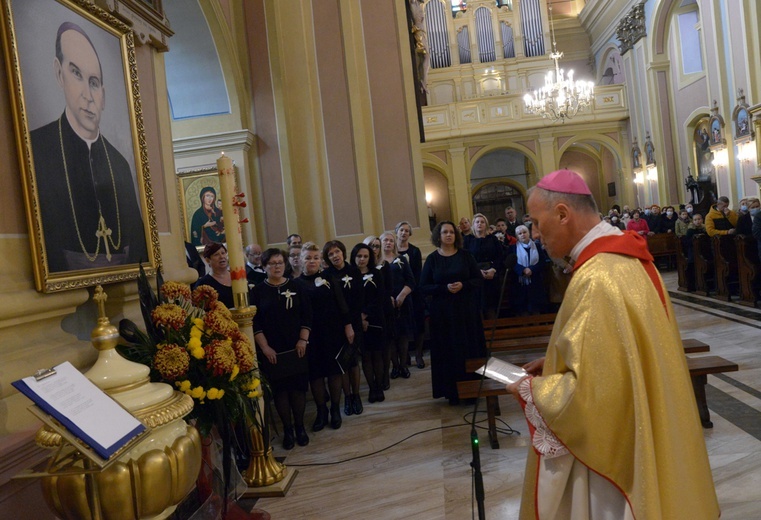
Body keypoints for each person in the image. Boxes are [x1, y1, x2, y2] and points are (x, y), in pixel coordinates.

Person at [507, 169, 718, 519]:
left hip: (612, 463)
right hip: (639, 426)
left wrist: (532, 390)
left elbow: (594, 397)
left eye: (537, 221)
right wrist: (557, 362)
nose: (535, 233)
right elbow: (619, 356)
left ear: (562, 213)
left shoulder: (597, 278)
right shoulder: (625, 258)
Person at [31, 22, 147, 272]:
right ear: (59, 74)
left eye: (94, 82)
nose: (87, 95)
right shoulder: (36, 150)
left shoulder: (119, 164)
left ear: (103, 95)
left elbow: (138, 249)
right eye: (76, 74)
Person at [251, 249, 312, 449]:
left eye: (280, 263)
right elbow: (255, 322)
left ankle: (299, 427)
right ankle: (287, 429)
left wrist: (303, 340)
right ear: (265, 266)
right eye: (272, 263)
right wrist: (265, 347)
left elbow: (307, 315)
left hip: (297, 346)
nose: (277, 266)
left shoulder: (298, 286)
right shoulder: (257, 291)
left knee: (298, 388)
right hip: (272, 349)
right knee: (280, 391)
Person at [419, 221, 485, 405]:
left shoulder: (466, 256)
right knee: (448, 351)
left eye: (451, 232)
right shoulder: (432, 259)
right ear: (438, 236)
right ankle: (452, 392)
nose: (449, 235)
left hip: (466, 312)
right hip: (443, 314)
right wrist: (444, 288)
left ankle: (472, 390)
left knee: (468, 348)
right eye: (444, 232)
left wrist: (463, 285)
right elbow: (424, 286)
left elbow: (478, 280)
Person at [297, 242, 353, 431]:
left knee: (334, 371)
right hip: (310, 335)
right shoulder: (296, 284)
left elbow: (342, 303)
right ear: (300, 260)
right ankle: (322, 411)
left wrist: (348, 326)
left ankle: (336, 409)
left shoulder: (329, 277)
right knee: (316, 374)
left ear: (320, 260)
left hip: (333, 331)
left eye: (315, 258)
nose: (312, 261)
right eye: (308, 258)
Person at [323, 240, 365, 417]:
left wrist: (360, 319)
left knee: (353, 361)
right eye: (330, 254)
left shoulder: (354, 271)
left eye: (337, 252)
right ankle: (346, 397)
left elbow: (360, 297)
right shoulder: (325, 275)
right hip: (335, 324)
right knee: (342, 364)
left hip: (354, 321)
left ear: (343, 252)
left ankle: (356, 396)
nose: (335, 256)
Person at [351, 243, 388, 403]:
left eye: (365, 256)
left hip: (375, 318)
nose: (362, 259)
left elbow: (380, 297)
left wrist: (366, 315)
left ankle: (379, 387)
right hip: (356, 319)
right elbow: (350, 300)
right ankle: (372, 388)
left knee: (377, 355)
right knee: (366, 356)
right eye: (359, 256)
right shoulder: (350, 275)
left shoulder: (376, 273)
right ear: (354, 257)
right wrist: (359, 318)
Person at [380, 231, 415, 382]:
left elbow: (411, 280)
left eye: (391, 241)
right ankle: (394, 365)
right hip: (385, 304)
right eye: (385, 240)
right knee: (391, 337)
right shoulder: (377, 262)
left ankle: (403, 364)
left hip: (403, 301)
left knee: (403, 335)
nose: (388, 243)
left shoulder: (401, 259)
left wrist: (401, 296)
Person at [395, 221, 426, 369]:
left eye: (407, 231)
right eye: (402, 230)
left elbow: (417, 274)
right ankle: (404, 355)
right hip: (397, 294)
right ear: (397, 232)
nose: (404, 233)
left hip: (414, 293)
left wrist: (409, 289)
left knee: (418, 324)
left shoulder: (414, 251)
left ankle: (419, 355)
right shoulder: (391, 251)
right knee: (402, 327)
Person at [463, 213, 504, 319]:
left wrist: (494, 269)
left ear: (486, 224)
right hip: (474, 277)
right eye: (477, 222)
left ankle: (493, 333)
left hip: (491, 276)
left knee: (491, 308)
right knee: (477, 308)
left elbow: (500, 257)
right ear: (473, 225)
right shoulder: (467, 240)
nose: (479, 224)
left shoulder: (493, 239)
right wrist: (477, 271)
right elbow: (465, 259)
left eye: (482, 222)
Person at [510, 224, 547, 315]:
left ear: (529, 233)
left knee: (535, 308)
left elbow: (542, 261)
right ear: (517, 236)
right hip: (520, 282)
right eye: (520, 233)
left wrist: (531, 269)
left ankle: (537, 327)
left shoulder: (537, 247)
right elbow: (512, 263)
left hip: (535, 280)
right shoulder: (513, 248)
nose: (523, 235)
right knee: (523, 309)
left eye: (524, 232)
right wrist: (522, 270)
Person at [193, 242, 235, 308]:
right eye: (216, 254)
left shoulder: (237, 277)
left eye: (223, 253)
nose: (221, 257)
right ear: (208, 260)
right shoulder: (203, 284)